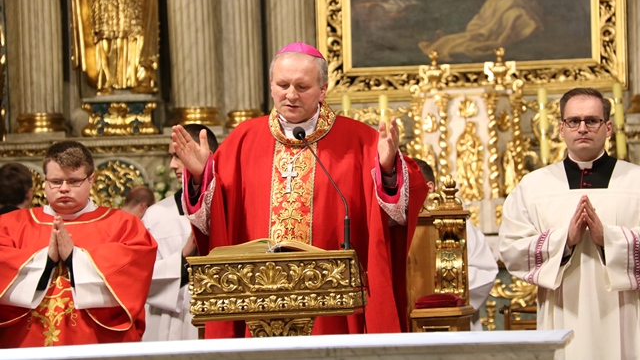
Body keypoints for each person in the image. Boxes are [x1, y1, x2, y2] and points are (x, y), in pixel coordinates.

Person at [171, 42, 428, 337]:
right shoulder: (242, 140)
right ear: (271, 86)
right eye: (283, 85)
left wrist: (388, 170)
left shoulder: (360, 141)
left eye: (302, 87)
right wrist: (200, 178)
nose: (291, 95)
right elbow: (216, 223)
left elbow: (396, 214)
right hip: (258, 301)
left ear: (323, 90)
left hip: (334, 304)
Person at [499, 87, 640, 359]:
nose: (582, 128)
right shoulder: (534, 186)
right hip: (562, 312)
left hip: (625, 316)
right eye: (574, 121)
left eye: (592, 120)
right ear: (561, 128)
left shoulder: (635, 181)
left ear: (608, 127)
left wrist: (609, 240)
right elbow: (511, 248)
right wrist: (564, 241)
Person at [0, 141, 157, 347]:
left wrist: (73, 257)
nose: (64, 189)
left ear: (91, 180)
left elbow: (132, 282)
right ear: (44, 181)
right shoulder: (9, 225)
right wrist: (47, 260)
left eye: (74, 181)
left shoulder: (124, 225)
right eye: (56, 181)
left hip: (97, 345)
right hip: (26, 345)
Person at [142, 124, 218, 341]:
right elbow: (140, 279)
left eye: (178, 155)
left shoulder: (229, 206)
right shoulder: (156, 216)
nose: (172, 165)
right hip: (170, 324)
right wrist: (182, 257)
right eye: (171, 156)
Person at [414, 158, 498, 331]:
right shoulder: (393, 226)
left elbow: (485, 272)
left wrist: (438, 287)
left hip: (452, 324)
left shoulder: (456, 226)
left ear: (429, 188)